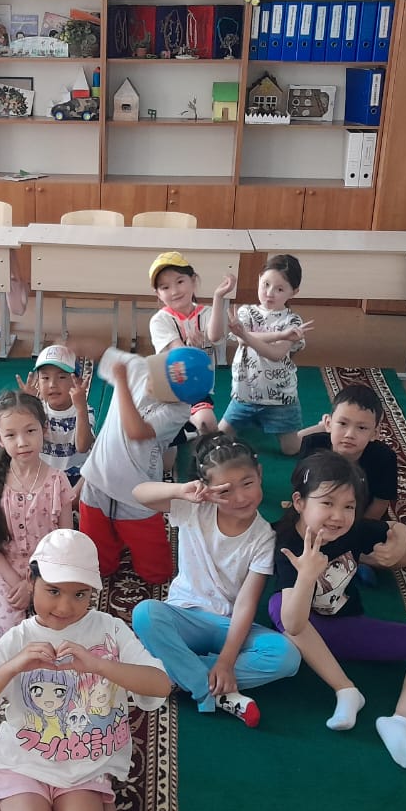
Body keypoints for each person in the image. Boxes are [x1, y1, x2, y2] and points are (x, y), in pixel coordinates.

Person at [0, 529, 170, 811]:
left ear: (93, 592)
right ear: (31, 581)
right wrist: (13, 666)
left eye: (79, 594)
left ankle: (101, 795)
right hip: (23, 765)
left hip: (83, 767)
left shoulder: (110, 630)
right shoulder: (18, 639)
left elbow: (160, 684)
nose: (65, 607)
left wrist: (99, 665)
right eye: (53, 591)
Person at [270, 450, 406, 769]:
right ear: (299, 502)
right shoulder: (285, 542)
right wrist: (307, 576)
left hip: (346, 626)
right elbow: (293, 624)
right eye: (327, 503)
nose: (338, 516)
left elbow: (398, 535)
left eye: (348, 506)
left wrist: (399, 544)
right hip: (305, 632)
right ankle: (346, 689)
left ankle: (401, 722)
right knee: (279, 604)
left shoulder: (352, 531)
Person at [130, 434, 299, 727]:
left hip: (226, 626)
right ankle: (211, 690)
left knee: (287, 656)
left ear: (260, 474)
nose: (240, 497)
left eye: (247, 483)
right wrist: (182, 490)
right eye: (226, 490)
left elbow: (246, 603)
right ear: (207, 489)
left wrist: (226, 661)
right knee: (145, 613)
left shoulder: (264, 538)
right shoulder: (194, 508)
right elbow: (139, 493)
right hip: (184, 617)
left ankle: (170, 673)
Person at [78, 345, 214, 585]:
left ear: (179, 398)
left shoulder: (178, 411)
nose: (151, 380)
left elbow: (136, 431)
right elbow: (99, 351)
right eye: (156, 372)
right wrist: (73, 344)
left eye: (161, 384)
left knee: (157, 574)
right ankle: (114, 540)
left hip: (138, 494)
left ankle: (121, 537)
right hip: (97, 482)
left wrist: (121, 383)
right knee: (99, 567)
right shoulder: (138, 367)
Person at [0, 390, 75, 644]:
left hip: (50, 570)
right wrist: (15, 581)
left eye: (30, 431)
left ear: (44, 430)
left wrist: (33, 585)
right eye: (11, 435)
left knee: (62, 631)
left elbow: (65, 542)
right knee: (1, 635)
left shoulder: (57, 481)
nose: (22, 442)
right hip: (7, 570)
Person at [209, 254, 312, 455]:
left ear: (294, 292)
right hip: (244, 396)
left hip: (280, 400)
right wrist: (279, 335)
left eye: (280, 289)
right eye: (265, 284)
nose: (269, 293)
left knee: (291, 449)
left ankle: (320, 428)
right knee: (218, 442)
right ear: (258, 280)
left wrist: (246, 334)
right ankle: (252, 425)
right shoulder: (246, 311)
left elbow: (276, 354)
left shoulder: (293, 321)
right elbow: (242, 340)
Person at [148, 251, 221, 436]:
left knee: (207, 423)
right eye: (165, 287)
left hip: (196, 389)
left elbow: (216, 337)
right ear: (158, 294)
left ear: (193, 281)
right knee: (166, 448)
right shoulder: (159, 320)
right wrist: (192, 349)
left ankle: (192, 431)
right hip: (168, 393)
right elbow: (178, 355)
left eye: (180, 282)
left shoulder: (208, 313)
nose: (174, 291)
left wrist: (219, 297)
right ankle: (184, 429)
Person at [299, 385, 398, 521]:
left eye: (361, 427)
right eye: (343, 423)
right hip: (318, 514)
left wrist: (358, 529)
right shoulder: (312, 445)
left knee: (397, 532)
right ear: (328, 424)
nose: (350, 434)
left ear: (375, 433)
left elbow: (380, 502)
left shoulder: (384, 458)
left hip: (361, 517)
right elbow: (302, 487)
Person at [17, 344, 95, 490]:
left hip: (75, 477)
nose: (52, 384)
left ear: (76, 381)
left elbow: (83, 447)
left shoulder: (85, 410)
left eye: (61, 377)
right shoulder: (37, 409)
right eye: (45, 378)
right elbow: (22, 440)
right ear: (38, 383)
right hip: (42, 475)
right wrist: (27, 405)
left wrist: (81, 408)